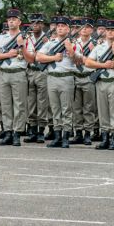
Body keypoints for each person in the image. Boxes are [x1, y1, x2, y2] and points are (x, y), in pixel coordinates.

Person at [0, 9, 29, 146]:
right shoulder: (1, 38)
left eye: (14, 19)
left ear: (19, 22)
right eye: (9, 19)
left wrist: (22, 46)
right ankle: (8, 132)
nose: (11, 21)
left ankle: (17, 133)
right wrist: (7, 55)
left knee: (19, 105)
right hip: (3, 73)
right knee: (5, 105)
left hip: (18, 72)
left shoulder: (25, 38)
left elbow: (31, 59)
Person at [37, 16, 77, 148]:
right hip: (52, 77)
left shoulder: (73, 43)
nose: (60, 28)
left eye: (63, 26)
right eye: (58, 26)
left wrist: (70, 49)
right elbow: (38, 57)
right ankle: (57, 136)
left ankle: (66, 136)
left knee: (66, 109)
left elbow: (79, 60)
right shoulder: (50, 43)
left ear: (68, 29)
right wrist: (53, 58)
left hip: (66, 77)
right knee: (55, 109)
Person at [85, 20, 114, 150]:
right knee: (102, 111)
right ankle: (105, 138)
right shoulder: (99, 47)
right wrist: (103, 65)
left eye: (113, 30)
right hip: (101, 81)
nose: (110, 32)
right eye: (108, 30)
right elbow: (88, 62)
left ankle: (113, 138)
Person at [24, 14, 51, 143]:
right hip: (30, 71)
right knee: (31, 102)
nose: (35, 25)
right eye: (33, 23)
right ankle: (33, 130)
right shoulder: (27, 39)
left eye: (38, 23)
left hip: (42, 72)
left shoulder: (48, 39)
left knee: (42, 102)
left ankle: (41, 131)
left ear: (42, 25)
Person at [72, 19, 99, 145]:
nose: (84, 29)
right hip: (75, 76)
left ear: (91, 30)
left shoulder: (96, 44)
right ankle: (78, 133)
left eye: (87, 27)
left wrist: (84, 58)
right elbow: (71, 58)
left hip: (88, 77)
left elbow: (95, 60)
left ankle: (88, 133)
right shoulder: (73, 43)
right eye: (82, 27)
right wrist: (83, 58)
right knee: (76, 107)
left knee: (89, 107)